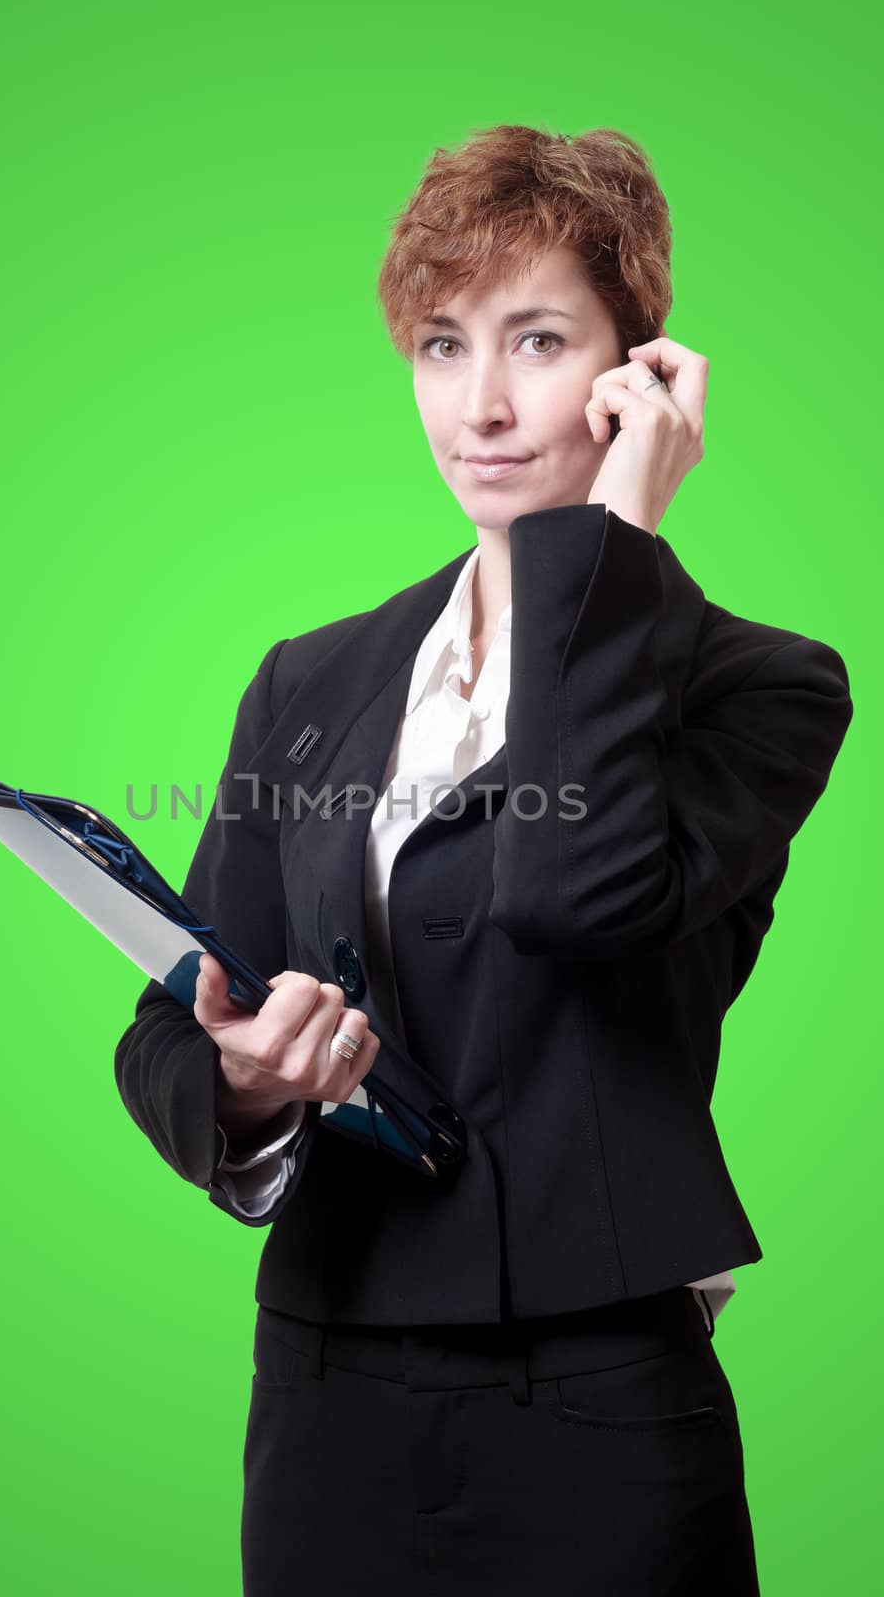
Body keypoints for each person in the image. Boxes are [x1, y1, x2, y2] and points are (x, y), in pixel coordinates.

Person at [113, 124, 854, 1595]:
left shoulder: (765, 686)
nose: (486, 406)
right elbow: (168, 1025)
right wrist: (251, 1082)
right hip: (331, 1387)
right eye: (445, 346)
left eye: (538, 340)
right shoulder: (310, 684)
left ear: (638, 372)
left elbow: (572, 891)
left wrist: (616, 535)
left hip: (596, 1398)